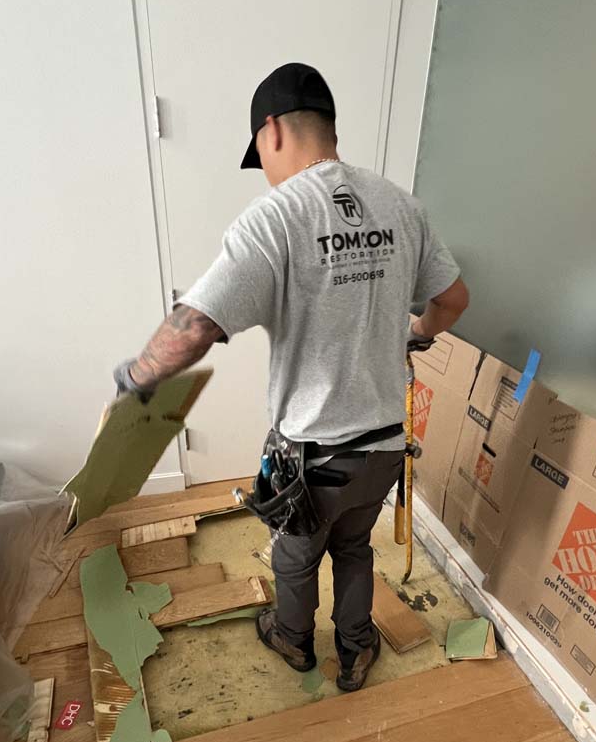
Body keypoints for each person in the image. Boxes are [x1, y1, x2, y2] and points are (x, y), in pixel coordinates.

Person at [114, 63, 469, 690]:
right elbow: (454, 298)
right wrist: (416, 334)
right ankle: (357, 650)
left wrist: (137, 376)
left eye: (262, 153)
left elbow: (195, 327)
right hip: (384, 444)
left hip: (316, 456)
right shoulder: (400, 206)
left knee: (297, 557)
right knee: (356, 548)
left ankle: (294, 640)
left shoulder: (276, 217)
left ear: (271, 131)